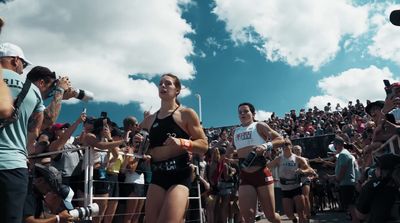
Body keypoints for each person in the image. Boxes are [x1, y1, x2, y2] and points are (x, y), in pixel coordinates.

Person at [140, 73, 208, 223]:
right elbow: (138, 144)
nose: (163, 86)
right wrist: (142, 147)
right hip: (158, 175)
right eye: (160, 83)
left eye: (168, 83)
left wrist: (184, 143)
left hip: (180, 175)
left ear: (177, 90)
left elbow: (204, 145)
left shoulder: (186, 114)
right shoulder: (148, 120)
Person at [0, 42, 45, 223]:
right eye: (23, 65)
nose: (22, 69)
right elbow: (36, 128)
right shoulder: (32, 89)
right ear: (15, 60)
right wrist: (23, 149)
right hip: (13, 164)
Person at [231, 102, 283, 223]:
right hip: (245, 175)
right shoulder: (236, 131)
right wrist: (229, 152)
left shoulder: (259, 126)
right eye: (240, 112)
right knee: (248, 217)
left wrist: (266, 146)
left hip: (261, 173)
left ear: (253, 113)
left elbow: (280, 139)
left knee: (270, 216)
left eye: (245, 111)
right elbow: (237, 151)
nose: (242, 114)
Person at [267, 140, 314, 223]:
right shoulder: (279, 159)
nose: (286, 146)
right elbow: (267, 167)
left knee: (300, 211)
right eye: (284, 145)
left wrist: (303, 171)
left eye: (287, 144)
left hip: (296, 187)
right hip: (285, 189)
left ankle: (303, 218)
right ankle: (294, 219)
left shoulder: (297, 158)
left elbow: (310, 170)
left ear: (291, 146)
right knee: (288, 213)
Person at [26, 66, 75, 130]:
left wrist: (61, 96)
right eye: (51, 87)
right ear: (41, 83)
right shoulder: (27, 100)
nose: (52, 91)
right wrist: (60, 90)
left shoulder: (22, 96)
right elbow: (47, 120)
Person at [356, 154, 400, 223]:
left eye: (377, 167)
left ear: (385, 171)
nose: (375, 170)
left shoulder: (372, 186)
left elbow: (360, 215)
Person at [332, 136, 359, 223]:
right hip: (348, 183)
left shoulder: (343, 154)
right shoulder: (345, 153)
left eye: (335, 145)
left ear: (338, 145)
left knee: (351, 206)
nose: (334, 147)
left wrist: (337, 179)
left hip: (346, 183)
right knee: (351, 206)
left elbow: (343, 169)